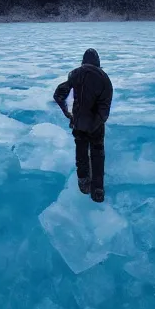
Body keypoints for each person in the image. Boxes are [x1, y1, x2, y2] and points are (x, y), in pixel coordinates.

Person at [53, 48, 113, 203]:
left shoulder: (75, 74)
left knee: (81, 151)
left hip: (79, 122)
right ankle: (97, 190)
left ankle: (83, 181)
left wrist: (67, 113)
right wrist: (97, 122)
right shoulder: (105, 79)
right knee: (97, 154)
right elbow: (104, 107)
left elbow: (59, 94)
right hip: (96, 125)